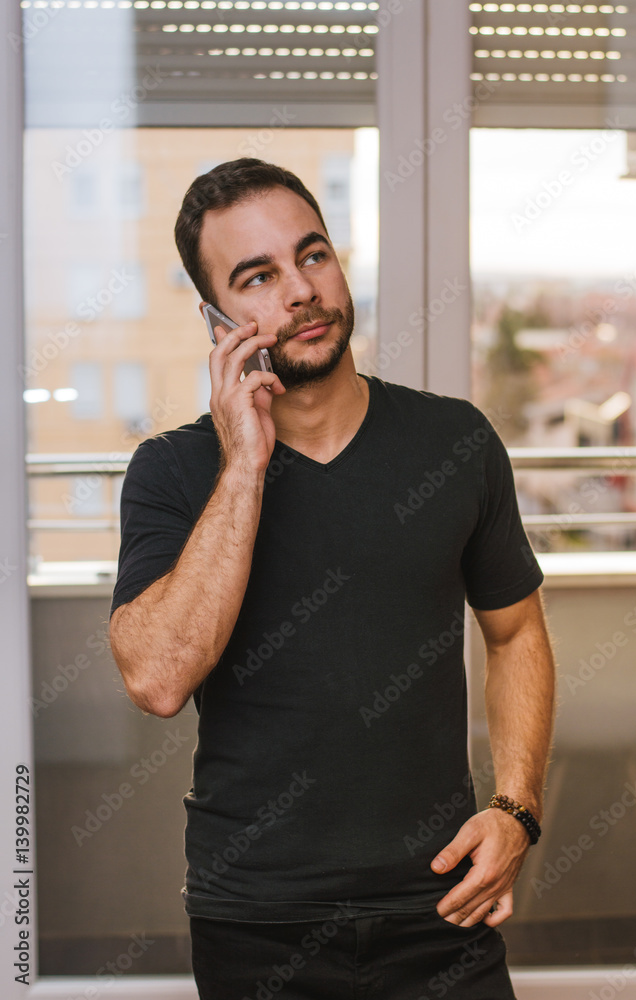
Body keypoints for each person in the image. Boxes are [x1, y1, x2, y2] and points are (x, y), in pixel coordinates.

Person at [108, 157, 556, 999]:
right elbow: (159, 678)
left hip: (443, 904)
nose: (300, 289)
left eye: (312, 255)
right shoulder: (172, 471)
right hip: (256, 920)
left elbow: (516, 631)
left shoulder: (453, 442)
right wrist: (244, 462)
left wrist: (517, 809)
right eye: (257, 276)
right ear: (215, 318)